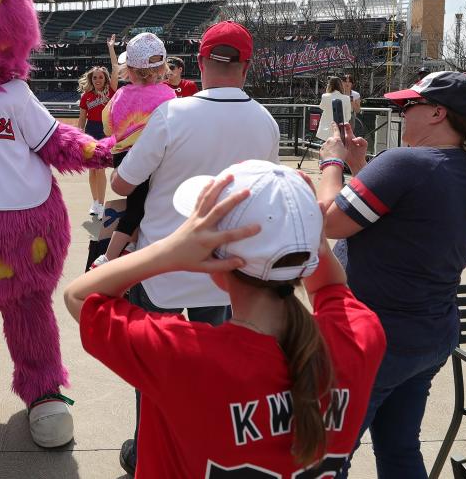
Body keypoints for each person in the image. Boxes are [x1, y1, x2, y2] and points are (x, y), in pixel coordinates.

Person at [65, 162, 386, 479]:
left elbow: (79, 297)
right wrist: (308, 237)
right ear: (309, 257)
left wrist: (168, 251)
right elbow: (331, 288)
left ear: (216, 263)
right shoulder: (360, 337)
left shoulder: (182, 356)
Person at [107, 20, 281, 475]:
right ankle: (209, 451)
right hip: (227, 277)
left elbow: (121, 182)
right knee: (216, 376)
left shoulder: (173, 114)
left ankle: (151, 454)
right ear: (245, 67)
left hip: (163, 271)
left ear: (201, 62)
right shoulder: (265, 123)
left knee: (155, 375)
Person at [317, 71, 466, 479]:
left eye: (407, 105)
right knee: (399, 450)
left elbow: (328, 221)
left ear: (437, 112)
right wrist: (362, 170)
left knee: (324, 460)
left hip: (376, 341)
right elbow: (404, 220)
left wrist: (332, 161)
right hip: (429, 336)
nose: (401, 113)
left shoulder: (405, 163)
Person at [95, 33, 174, 264]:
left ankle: (131, 243)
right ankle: (108, 256)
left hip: (122, 159)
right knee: (139, 208)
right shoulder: (168, 94)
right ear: (161, 67)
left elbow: (108, 128)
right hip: (150, 158)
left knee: (138, 204)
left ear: (128, 67)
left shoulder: (120, 94)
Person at [77, 58, 117, 218]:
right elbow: (82, 119)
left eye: (101, 77)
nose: (98, 80)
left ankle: (101, 204)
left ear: (105, 79)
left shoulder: (111, 91)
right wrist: (79, 136)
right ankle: (95, 202)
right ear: (91, 79)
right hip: (90, 132)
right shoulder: (86, 96)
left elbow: (115, 68)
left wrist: (112, 48)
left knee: (100, 170)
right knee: (92, 171)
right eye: (95, 77)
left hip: (104, 132)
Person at [315, 76, 352, 142]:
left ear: (329, 85)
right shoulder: (346, 98)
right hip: (341, 129)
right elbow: (348, 116)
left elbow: (322, 107)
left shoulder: (325, 96)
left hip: (326, 129)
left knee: (327, 149)